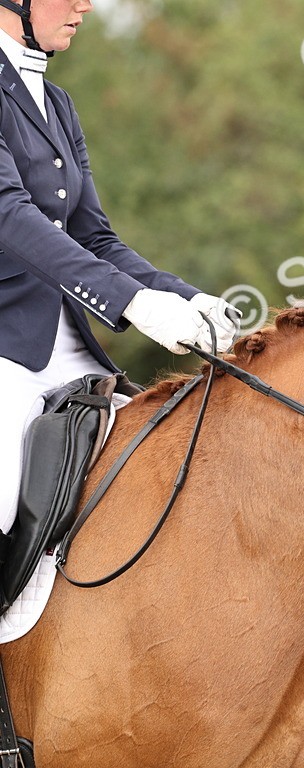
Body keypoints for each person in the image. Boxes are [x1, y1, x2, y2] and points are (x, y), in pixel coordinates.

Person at [0, 0, 238, 544]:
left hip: (75, 354)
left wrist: (183, 297)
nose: (85, 5)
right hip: (6, 351)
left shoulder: (56, 103)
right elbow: (10, 216)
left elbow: (93, 237)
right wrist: (132, 303)